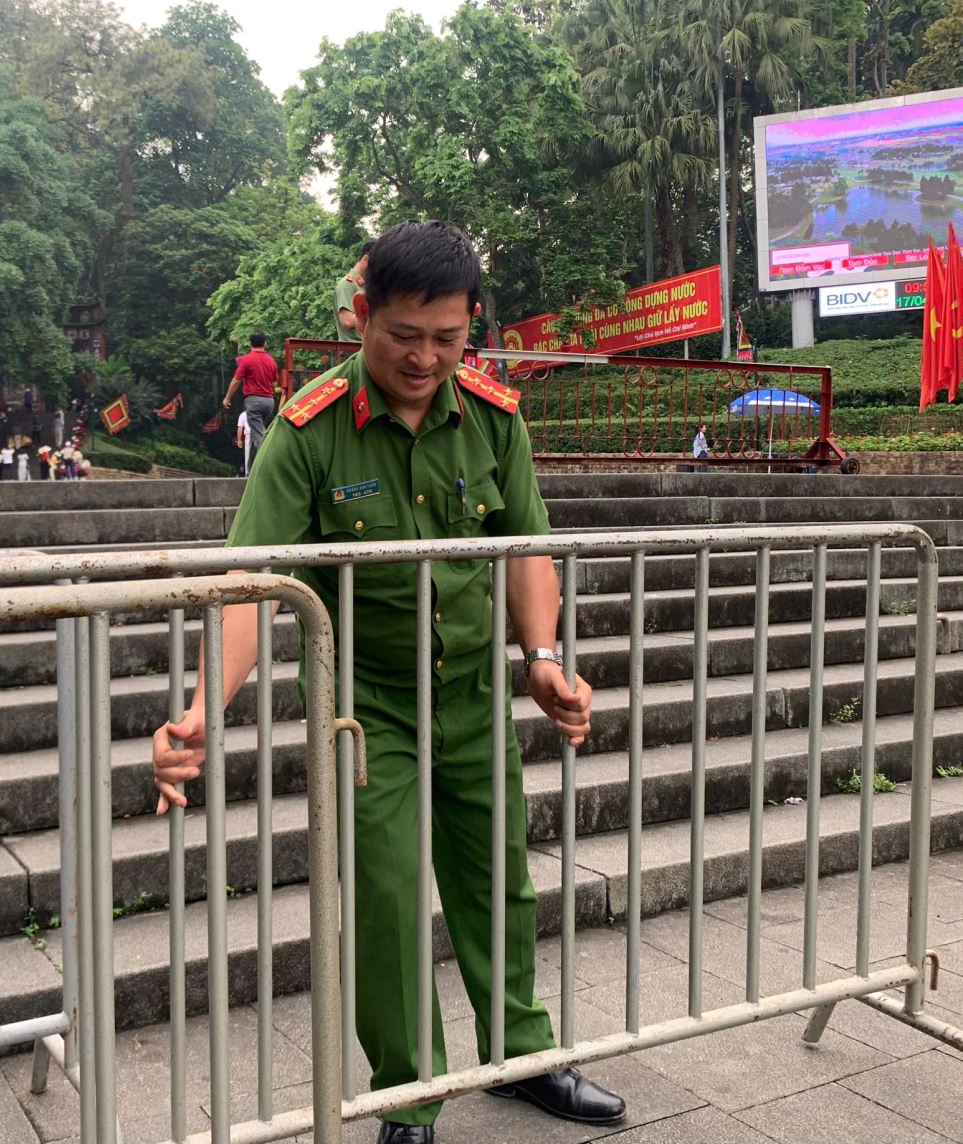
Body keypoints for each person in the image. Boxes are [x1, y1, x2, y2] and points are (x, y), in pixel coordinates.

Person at [151, 221, 624, 1144]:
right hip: (362, 709)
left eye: (448, 338)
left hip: (470, 696)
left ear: (471, 323)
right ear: (362, 315)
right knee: (386, 899)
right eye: (405, 334)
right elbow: (251, 582)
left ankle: (521, 1055)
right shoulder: (311, 430)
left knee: (498, 879)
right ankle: (407, 1094)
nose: (425, 358)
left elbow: (526, 547)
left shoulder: (492, 416)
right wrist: (206, 709)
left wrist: (543, 659)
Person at [222, 331, 279, 471]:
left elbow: (236, 381)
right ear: (265, 343)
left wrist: (227, 398)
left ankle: (270, 466)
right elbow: (274, 384)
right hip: (269, 402)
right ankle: (251, 470)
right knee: (256, 433)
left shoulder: (247, 360)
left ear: (250, 344)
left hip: (254, 401)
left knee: (259, 436)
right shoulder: (271, 361)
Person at [334, 241, 373, 343]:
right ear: (365, 259)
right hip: (352, 347)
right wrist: (376, 319)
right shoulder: (347, 284)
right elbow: (346, 320)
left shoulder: (365, 286)